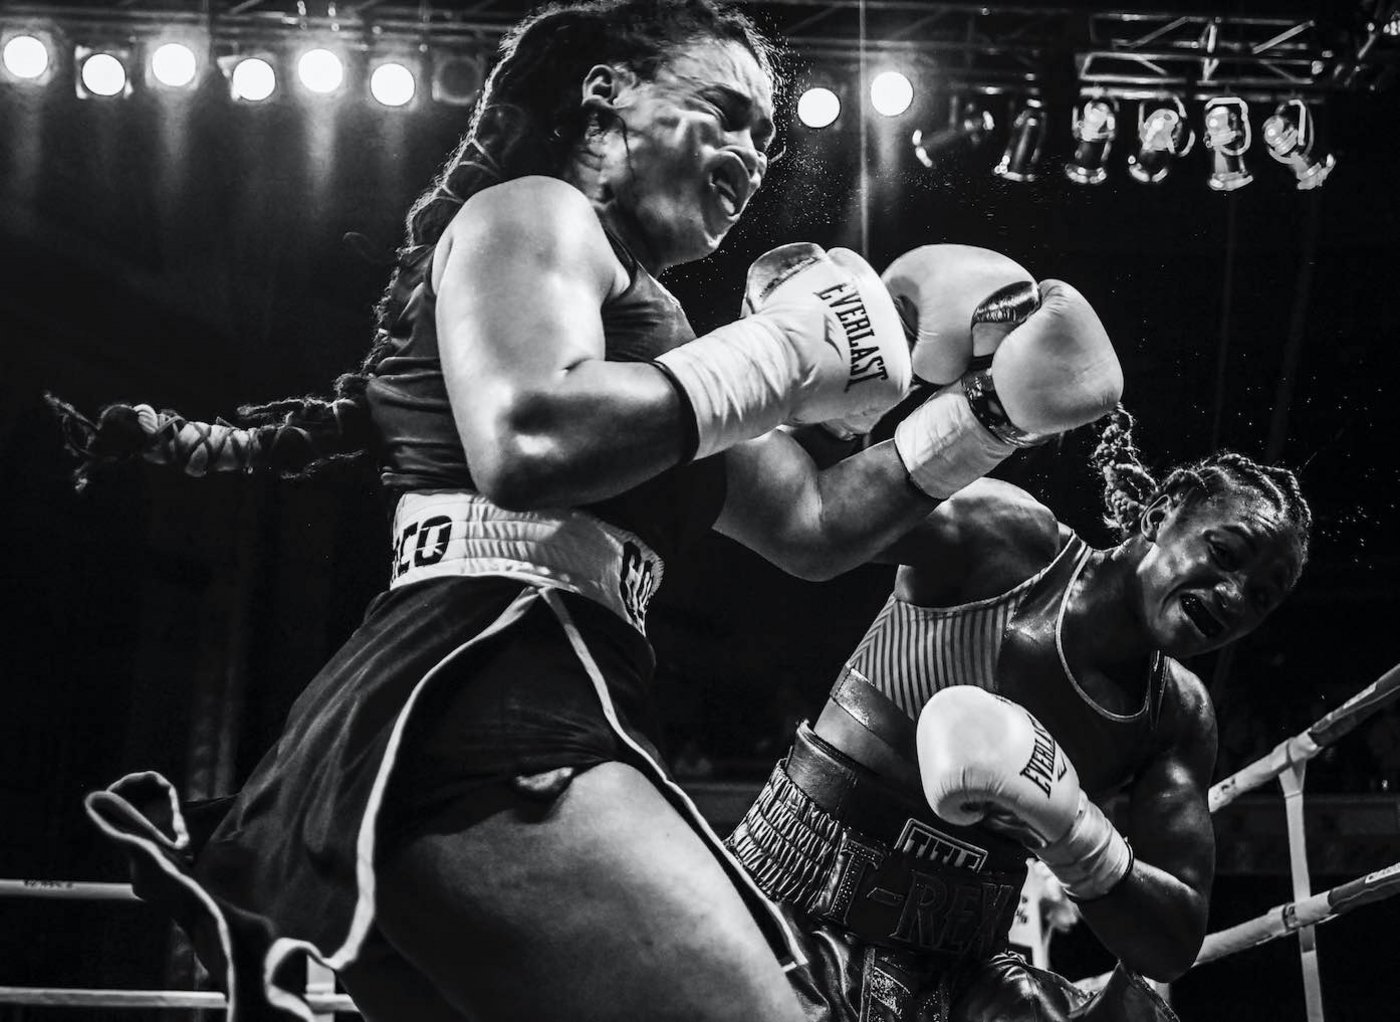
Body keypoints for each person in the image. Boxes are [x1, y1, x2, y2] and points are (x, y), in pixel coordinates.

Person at [53, 2, 1122, 1020]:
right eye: (725, 110)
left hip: (510, 694)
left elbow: (809, 522)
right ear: (606, 97)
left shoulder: (659, 338)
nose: (753, 155)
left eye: (766, 134)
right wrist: (790, 348)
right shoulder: (536, 211)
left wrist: (991, 411)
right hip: (478, 683)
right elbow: (525, 436)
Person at [728, 396, 1312, 1022]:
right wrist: (845, 402)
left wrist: (1079, 835)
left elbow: (1173, 940)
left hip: (962, 966)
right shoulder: (1008, 540)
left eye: (1260, 597)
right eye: (1223, 555)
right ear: (1159, 516)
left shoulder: (1176, 715)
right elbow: (814, 512)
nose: (1232, 596)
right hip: (787, 893)